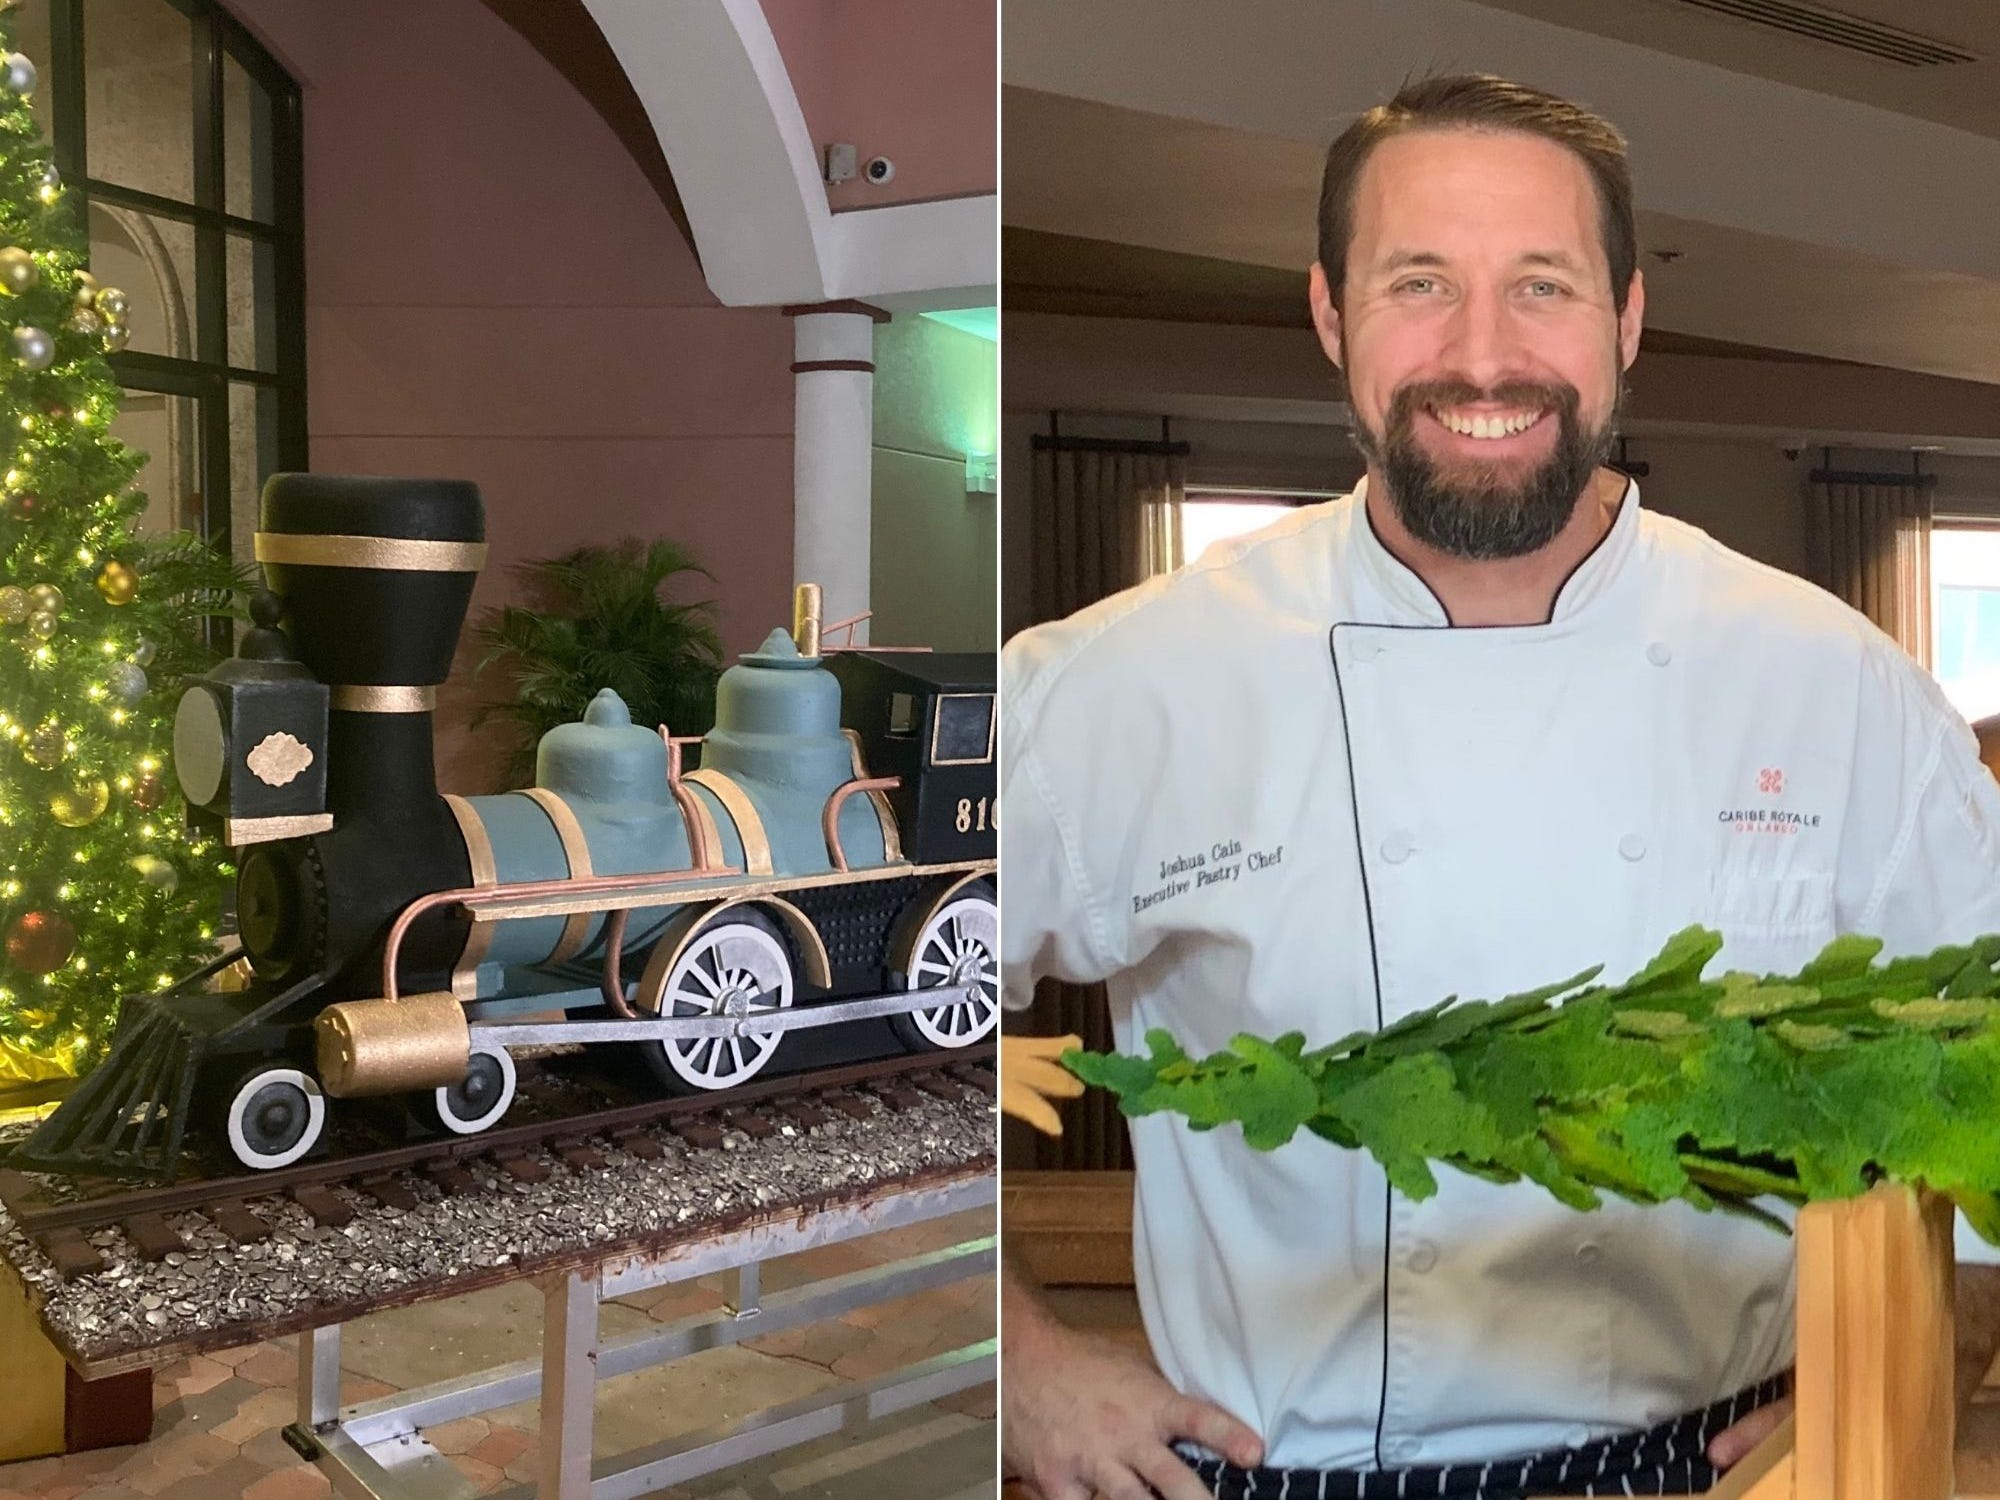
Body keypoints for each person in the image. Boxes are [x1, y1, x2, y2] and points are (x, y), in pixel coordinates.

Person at [999, 74, 2000, 1500]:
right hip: (1279, 1473)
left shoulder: (1830, 685)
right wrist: (1020, 1361)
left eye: (1542, 285)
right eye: (1420, 283)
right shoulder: (1125, 685)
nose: (1482, 356)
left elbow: (1986, 1068)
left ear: (1628, 320)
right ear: (1331, 313)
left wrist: (1924, 1352)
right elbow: (896, 1031)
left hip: (1720, 1467)